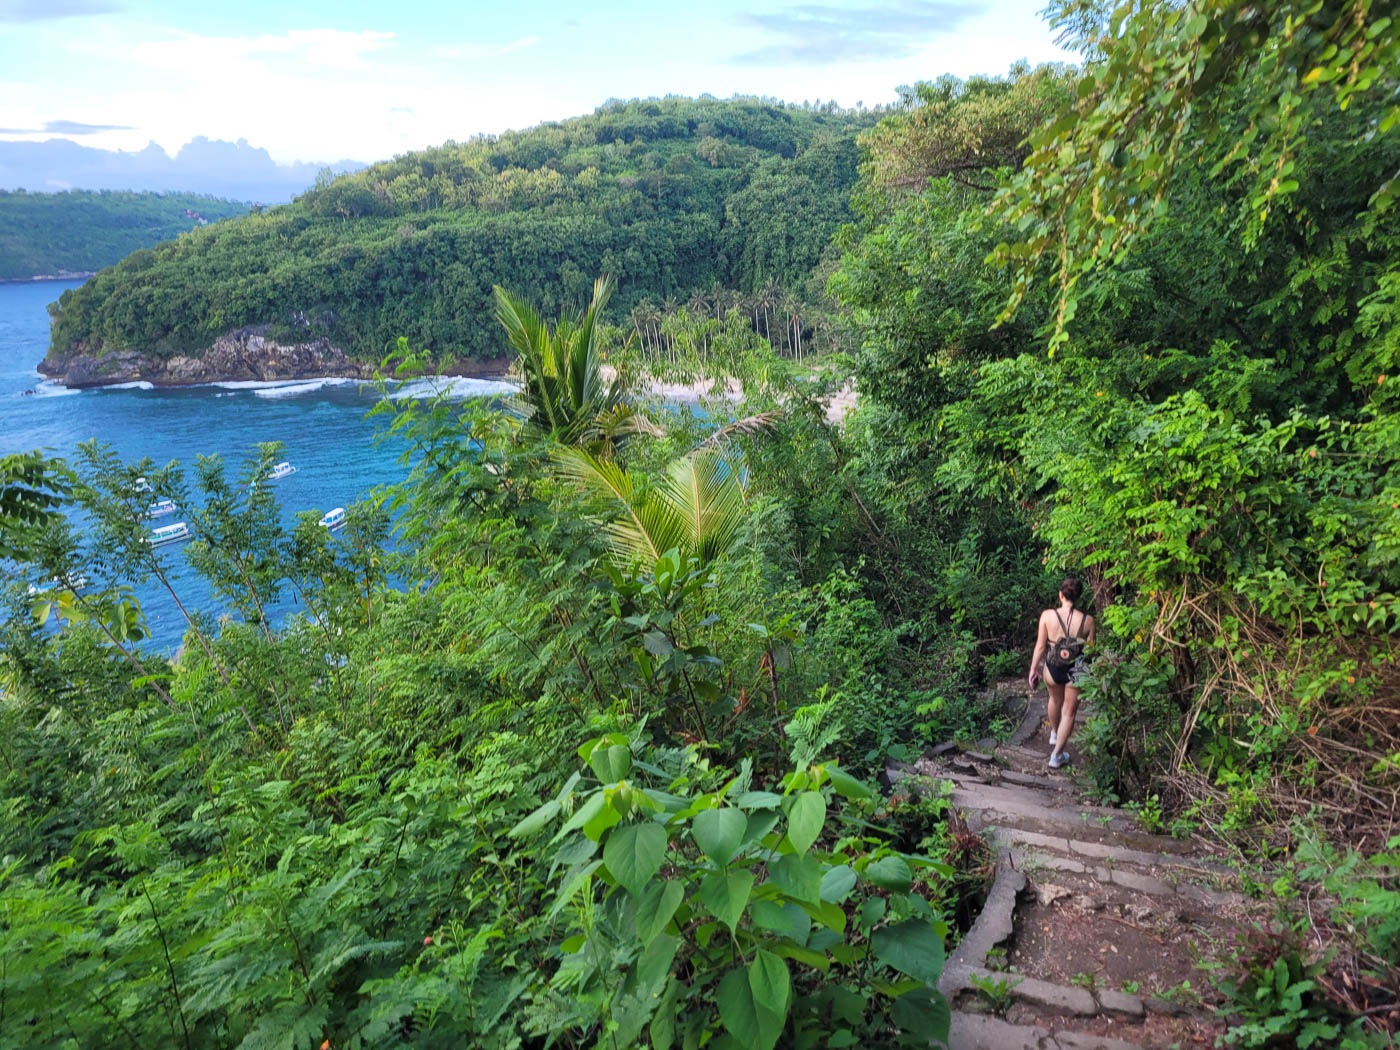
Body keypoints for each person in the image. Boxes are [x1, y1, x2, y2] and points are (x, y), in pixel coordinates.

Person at [1028, 576, 1095, 769]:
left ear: (1060, 595)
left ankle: (1055, 733)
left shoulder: (1047, 616)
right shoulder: (1088, 621)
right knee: (1069, 712)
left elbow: (1040, 647)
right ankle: (1056, 755)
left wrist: (1034, 669)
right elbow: (1091, 651)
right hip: (1078, 668)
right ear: (1078, 597)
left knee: (1054, 700)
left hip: (1052, 667)